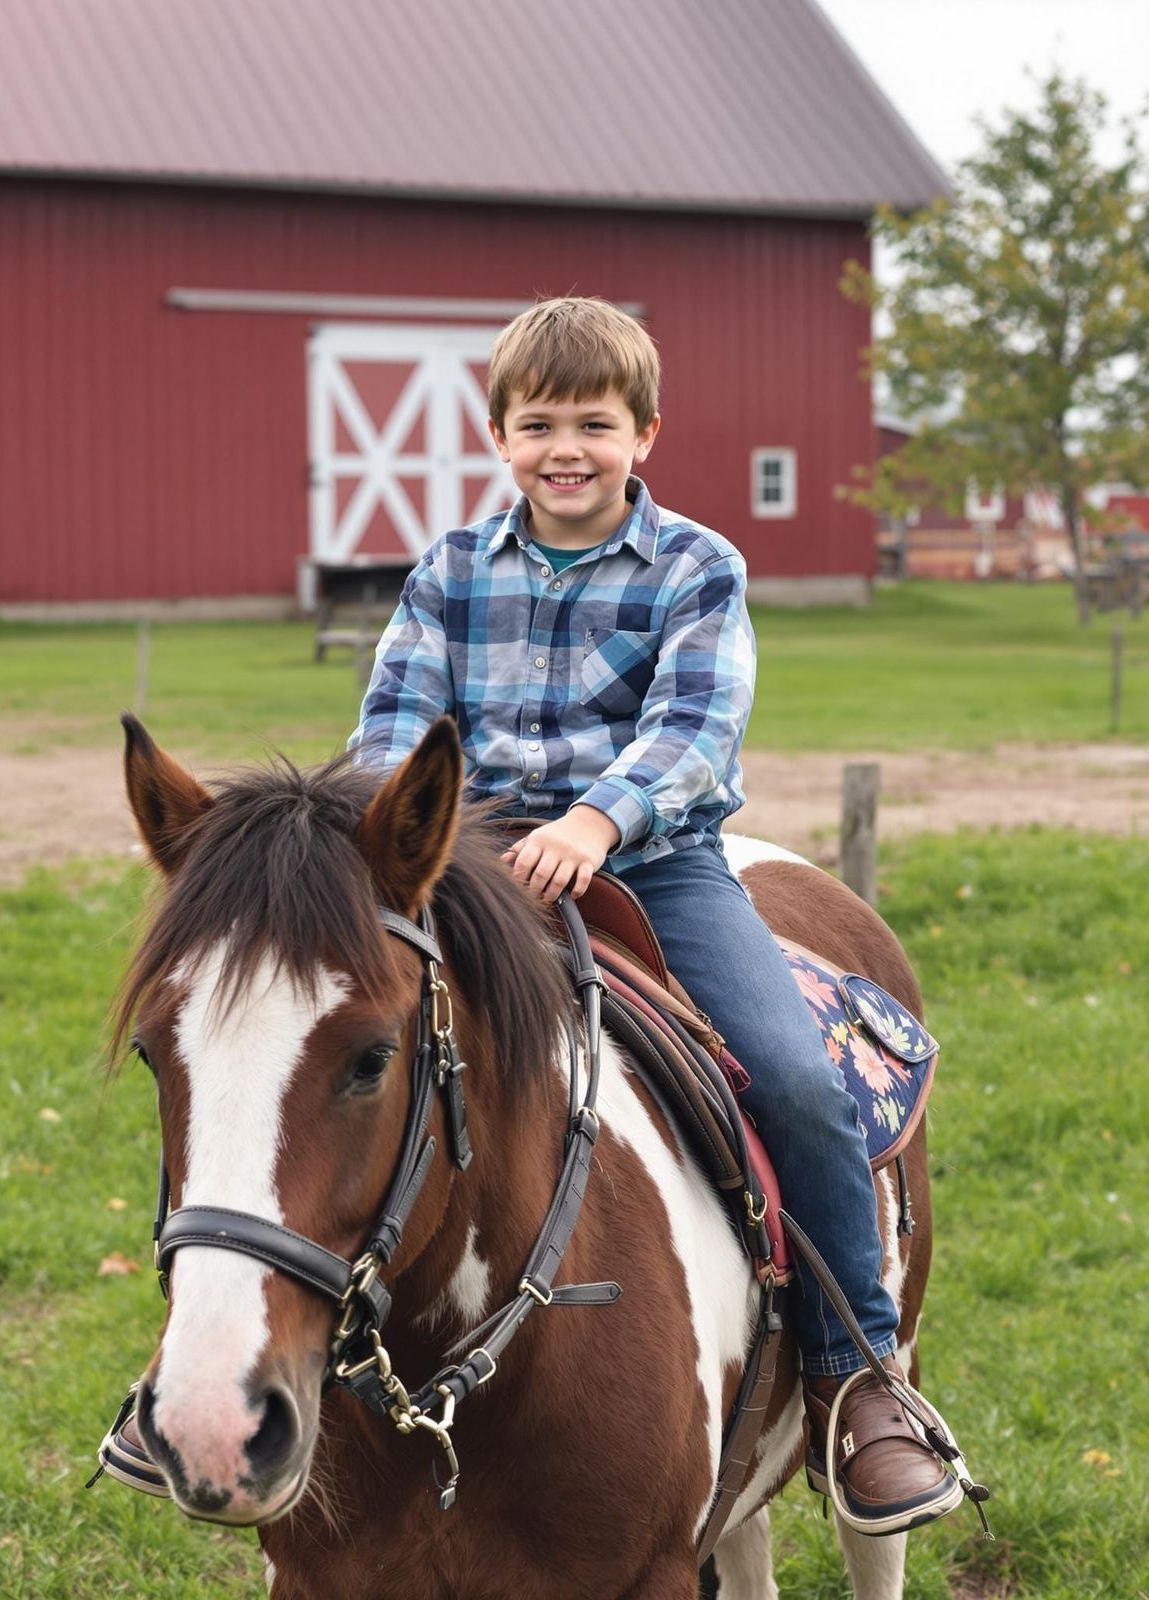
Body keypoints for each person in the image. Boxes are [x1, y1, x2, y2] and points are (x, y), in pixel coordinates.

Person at [347, 295, 963, 1535]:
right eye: (537, 424)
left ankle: (862, 1379)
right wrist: (380, 827)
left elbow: (692, 730)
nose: (563, 447)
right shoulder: (449, 571)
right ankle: (262, 1346)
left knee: (792, 1075)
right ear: (499, 437)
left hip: (655, 861)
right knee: (317, 1046)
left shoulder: (698, 566)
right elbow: (390, 732)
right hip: (474, 859)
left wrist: (597, 823)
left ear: (646, 435)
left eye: (593, 422)